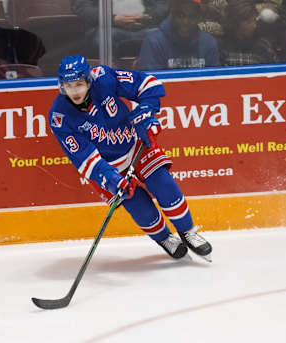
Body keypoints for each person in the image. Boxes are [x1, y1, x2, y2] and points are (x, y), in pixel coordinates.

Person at [48, 54, 213, 261]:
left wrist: (146, 113)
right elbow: (85, 159)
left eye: (79, 84)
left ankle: (187, 231)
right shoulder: (59, 117)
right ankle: (164, 238)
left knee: (163, 184)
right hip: (107, 168)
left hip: (135, 146)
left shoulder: (104, 78)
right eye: (69, 85)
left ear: (89, 80)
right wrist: (113, 179)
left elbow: (147, 84)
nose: (75, 91)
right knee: (138, 206)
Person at [138, 0, 220, 70]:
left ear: (199, 18)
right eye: (180, 16)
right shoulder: (154, 42)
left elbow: (214, 83)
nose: (185, 22)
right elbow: (150, 85)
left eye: (192, 17)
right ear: (172, 15)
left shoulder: (209, 43)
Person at [72, 0, 170, 58]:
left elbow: (163, 5)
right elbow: (83, 8)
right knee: (101, 40)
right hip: (109, 28)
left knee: (163, 38)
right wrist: (112, 19)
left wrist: (148, 17)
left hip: (145, 27)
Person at [219, 0, 278, 66]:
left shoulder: (263, 47)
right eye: (249, 22)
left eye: (254, 20)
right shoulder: (221, 49)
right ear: (235, 23)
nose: (254, 25)